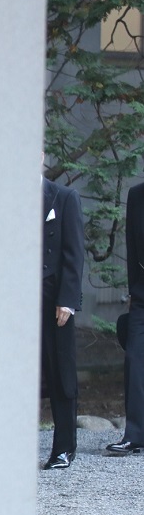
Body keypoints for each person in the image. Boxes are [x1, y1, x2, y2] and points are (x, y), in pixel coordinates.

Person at [41, 175, 85, 470]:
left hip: (53, 297)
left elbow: (74, 251)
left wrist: (67, 299)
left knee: (60, 371)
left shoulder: (64, 197)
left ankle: (64, 448)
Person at [107, 181, 144, 456]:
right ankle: (134, 435)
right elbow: (132, 246)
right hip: (142, 297)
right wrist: (134, 291)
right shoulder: (136, 195)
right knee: (134, 358)